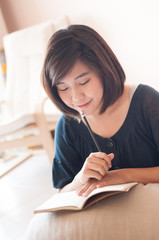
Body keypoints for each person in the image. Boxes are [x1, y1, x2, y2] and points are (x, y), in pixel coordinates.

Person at [41, 24, 159, 197]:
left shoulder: (147, 102)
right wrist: (80, 178)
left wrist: (122, 176)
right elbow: (63, 191)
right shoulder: (67, 124)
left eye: (83, 82)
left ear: (104, 70)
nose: (76, 97)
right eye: (64, 88)